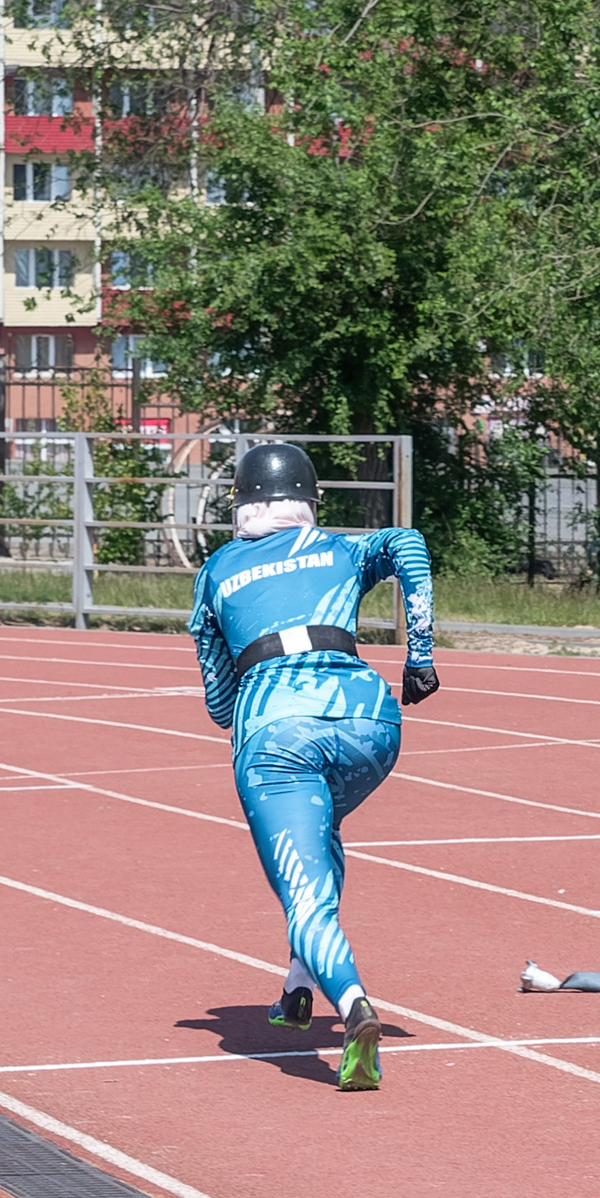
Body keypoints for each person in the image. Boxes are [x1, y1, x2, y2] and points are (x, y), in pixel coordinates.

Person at [189, 442, 438, 1092]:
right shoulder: (340, 548)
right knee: (321, 837)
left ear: (240, 505)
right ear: (308, 501)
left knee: (304, 891)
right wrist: (420, 655)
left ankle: (353, 1005)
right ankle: (300, 985)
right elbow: (409, 543)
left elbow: (220, 704)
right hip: (371, 722)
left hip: (275, 736)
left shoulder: (216, 570)